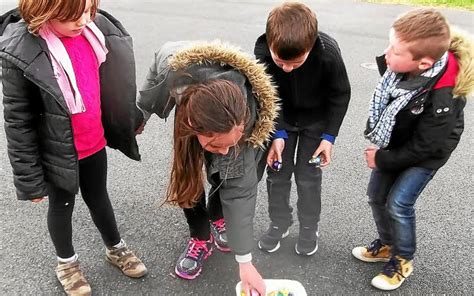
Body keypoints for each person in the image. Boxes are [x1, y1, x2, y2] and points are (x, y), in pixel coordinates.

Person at [0, 0, 148, 295]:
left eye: (88, 10)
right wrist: (29, 179)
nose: (82, 20)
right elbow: (18, 120)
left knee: (99, 198)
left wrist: (130, 118)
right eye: (71, 15)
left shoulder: (96, 32)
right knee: (62, 206)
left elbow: (116, 84)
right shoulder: (22, 51)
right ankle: (66, 263)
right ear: (44, 12)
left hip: (93, 142)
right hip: (57, 151)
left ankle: (115, 247)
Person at [137, 41, 278, 295]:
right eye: (215, 145)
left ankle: (218, 218)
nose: (223, 151)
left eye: (228, 144)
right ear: (193, 125)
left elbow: (241, 192)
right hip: (192, 100)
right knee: (187, 178)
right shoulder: (174, 69)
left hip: (225, 120)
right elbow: (158, 63)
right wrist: (141, 113)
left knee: (229, 176)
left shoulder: (245, 124)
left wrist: (244, 262)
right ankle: (200, 237)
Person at [352, 8, 473, 291]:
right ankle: (387, 244)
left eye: (395, 50)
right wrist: (386, 154)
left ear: (423, 63)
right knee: (376, 196)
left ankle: (403, 258)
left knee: (399, 203)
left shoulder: (444, 93)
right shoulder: (404, 73)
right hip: (401, 142)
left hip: (427, 155)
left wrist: (382, 158)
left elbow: (427, 145)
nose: (386, 54)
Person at [254, 1, 351, 255]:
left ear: (310, 46)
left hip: (316, 123)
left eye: (296, 63)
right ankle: (280, 223)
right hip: (282, 120)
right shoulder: (262, 51)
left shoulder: (328, 53)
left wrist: (329, 137)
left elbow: (340, 95)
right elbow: (266, 94)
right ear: (270, 42)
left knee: (308, 178)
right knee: (277, 175)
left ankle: (309, 227)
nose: (286, 68)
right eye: (280, 61)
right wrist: (277, 133)